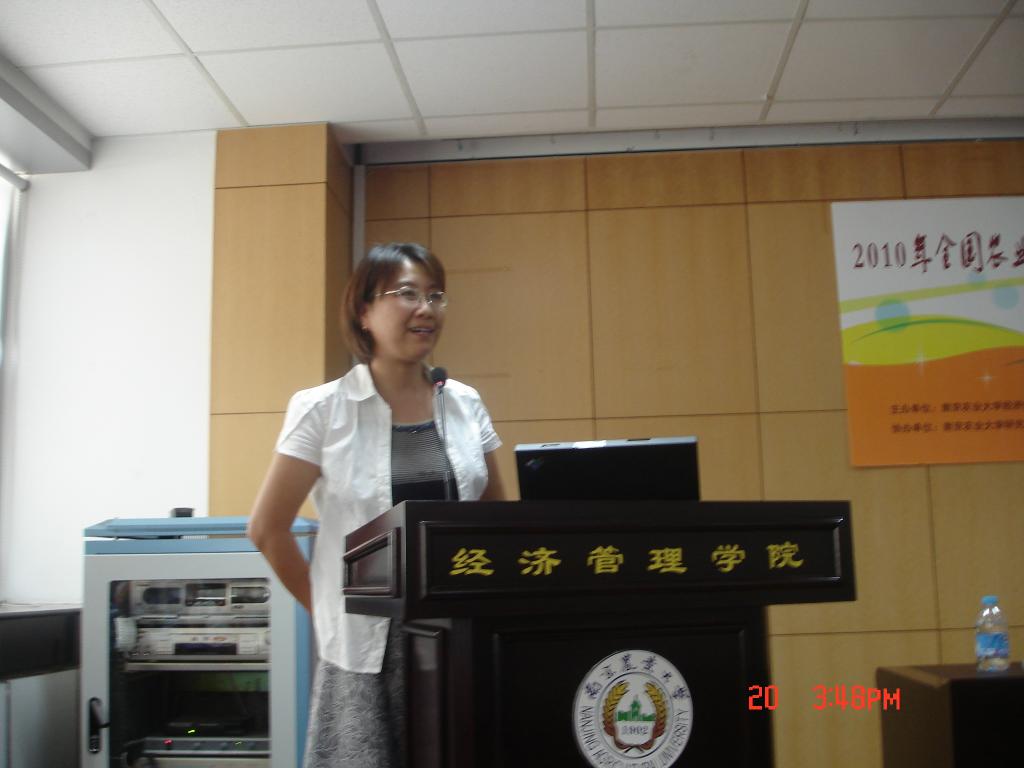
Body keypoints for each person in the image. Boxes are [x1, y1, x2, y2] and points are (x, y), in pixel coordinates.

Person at [247, 242, 505, 767]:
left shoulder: (464, 403)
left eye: (435, 295)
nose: (426, 308)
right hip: (367, 648)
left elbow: (495, 515)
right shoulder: (323, 409)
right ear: (363, 311)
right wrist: (327, 610)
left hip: (460, 636)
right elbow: (267, 529)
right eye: (407, 293)